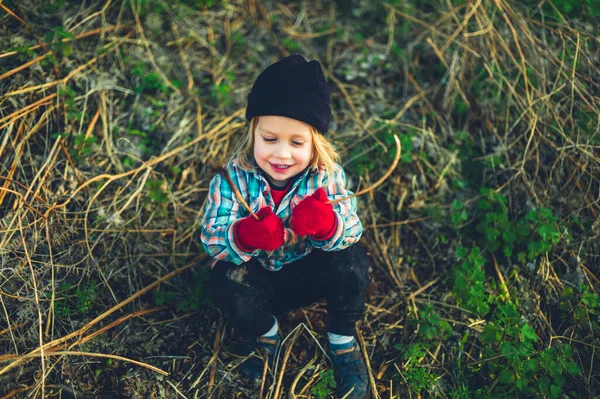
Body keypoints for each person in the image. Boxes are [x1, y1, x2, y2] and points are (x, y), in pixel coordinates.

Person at [201, 54, 370, 399]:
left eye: (296, 143)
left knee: (352, 260)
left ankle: (342, 341)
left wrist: (326, 226)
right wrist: (245, 235)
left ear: (315, 143)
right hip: (259, 279)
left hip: (307, 275)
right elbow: (212, 237)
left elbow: (352, 229)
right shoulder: (234, 177)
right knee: (222, 278)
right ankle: (265, 333)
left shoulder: (326, 177)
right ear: (253, 133)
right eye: (270, 138)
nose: (281, 154)